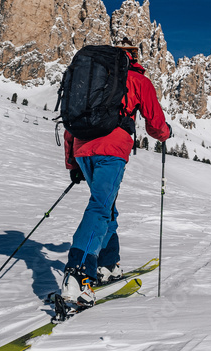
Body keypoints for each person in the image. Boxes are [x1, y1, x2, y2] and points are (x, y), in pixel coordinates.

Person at [60, 45, 171, 305]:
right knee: (100, 208)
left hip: (82, 149)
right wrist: (166, 134)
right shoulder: (136, 79)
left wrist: (73, 164)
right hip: (111, 149)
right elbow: (155, 123)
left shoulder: (87, 79)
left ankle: (107, 264)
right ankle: (78, 274)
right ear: (130, 58)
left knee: (107, 208)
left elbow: (70, 121)